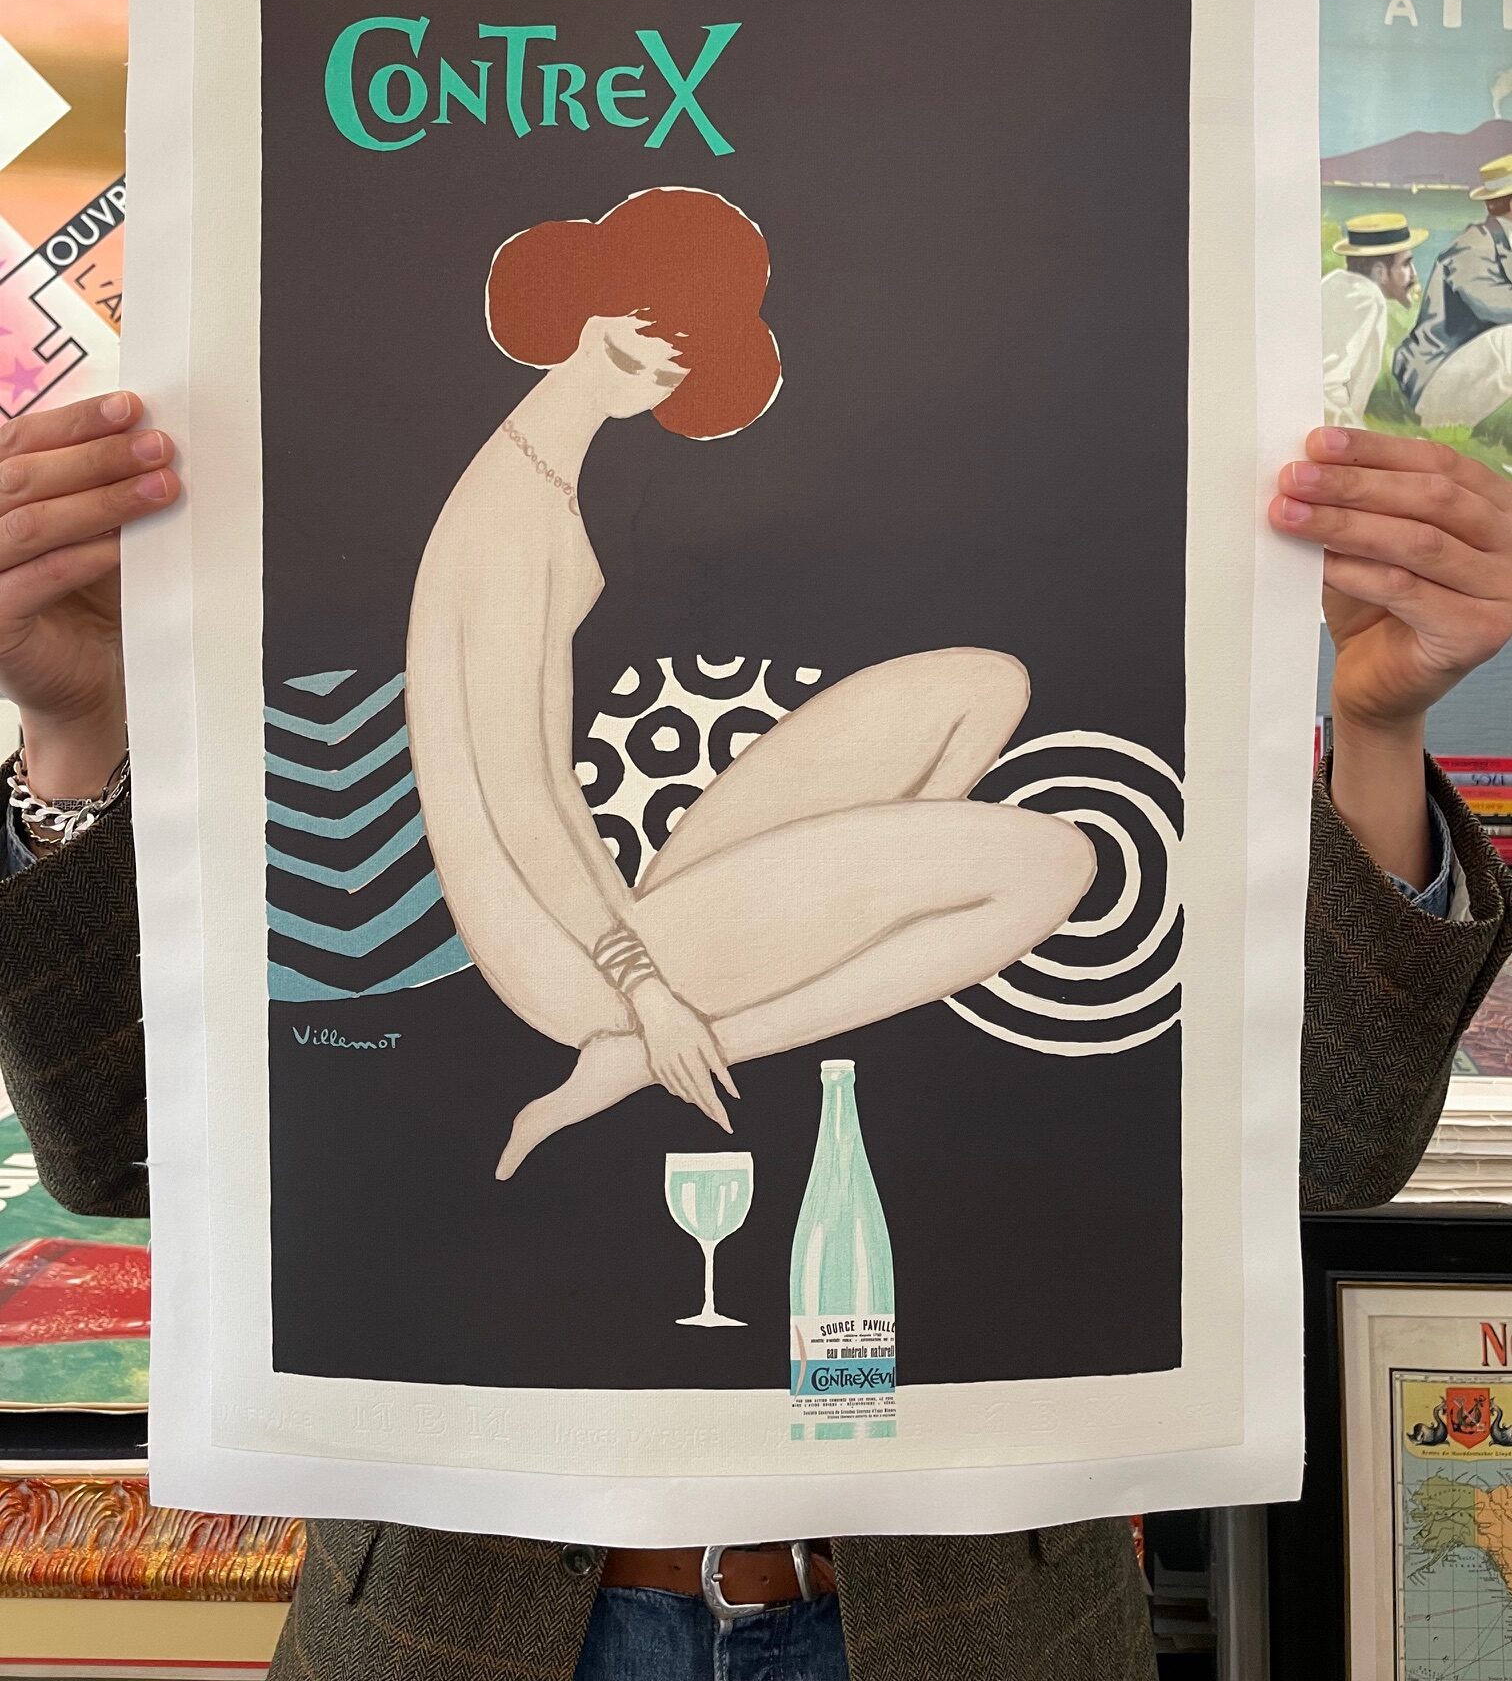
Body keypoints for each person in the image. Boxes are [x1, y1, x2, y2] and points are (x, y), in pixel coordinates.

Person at [1, 391, 1509, 1681]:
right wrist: (73, 732)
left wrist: (1377, 733)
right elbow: (117, 1149)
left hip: (971, 1616)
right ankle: (630, 1045)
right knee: (1047, 858)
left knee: (991, 712)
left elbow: (1334, 1148)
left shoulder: (1028, 461)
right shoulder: (441, 492)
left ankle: (636, 1049)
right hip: (471, 1610)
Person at [408, 189, 1094, 1181]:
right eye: (641, 324)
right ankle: (649, 1052)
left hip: (600, 907)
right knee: (1053, 863)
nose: (661, 357)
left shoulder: (540, 480)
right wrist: (643, 987)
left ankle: (812, 927)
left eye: (687, 346)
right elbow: (522, 801)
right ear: (581, 298)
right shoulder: (509, 522)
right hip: (563, 956)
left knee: (980, 689)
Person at [1393, 155, 1512, 430]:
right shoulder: (1472, 245)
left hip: (1469, 373)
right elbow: (1491, 304)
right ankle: (1438, 427)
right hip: (1434, 376)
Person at [1322, 211, 1426, 428]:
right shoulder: (1367, 299)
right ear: (1380, 272)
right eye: (1406, 264)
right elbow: (1327, 386)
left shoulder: (1334, 283)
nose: (1414, 274)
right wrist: (1357, 435)